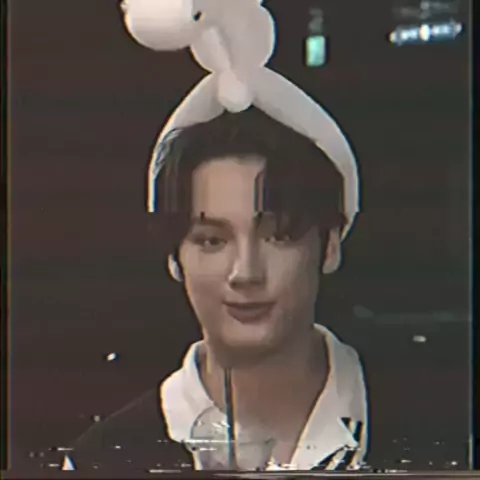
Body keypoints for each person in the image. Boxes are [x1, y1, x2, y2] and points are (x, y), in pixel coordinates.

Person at [37, 0, 369, 476]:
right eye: (212, 240)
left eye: (279, 235)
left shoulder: (443, 421)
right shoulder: (106, 458)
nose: (245, 273)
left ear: (330, 244)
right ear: (175, 258)